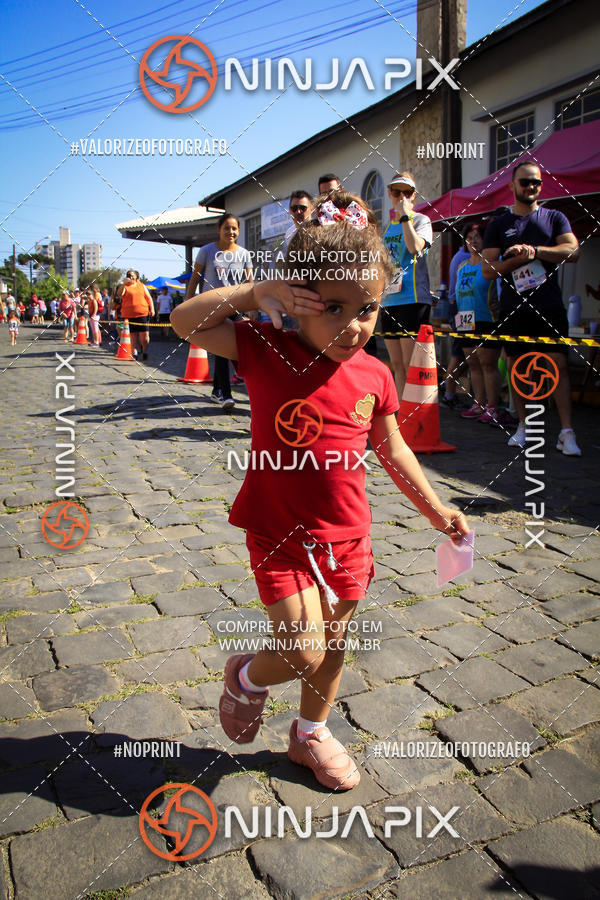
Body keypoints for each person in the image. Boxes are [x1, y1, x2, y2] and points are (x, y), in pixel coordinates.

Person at [170, 194, 470, 791]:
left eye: (367, 309)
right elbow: (185, 323)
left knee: (334, 646)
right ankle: (248, 678)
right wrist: (257, 293)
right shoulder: (264, 346)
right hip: (278, 532)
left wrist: (438, 510)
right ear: (298, 300)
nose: (354, 325)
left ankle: (310, 733)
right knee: (302, 651)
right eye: (333, 307)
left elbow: (394, 450)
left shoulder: (376, 373)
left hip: (347, 539)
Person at [482, 160, 581, 455]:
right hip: (514, 307)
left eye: (536, 182)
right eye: (525, 182)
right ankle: (524, 426)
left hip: (548, 304)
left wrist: (535, 251)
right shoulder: (499, 224)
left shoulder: (554, 218)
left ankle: (566, 432)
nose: (531, 187)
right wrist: (517, 260)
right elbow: (488, 269)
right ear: (512, 186)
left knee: (558, 365)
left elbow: (572, 250)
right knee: (517, 366)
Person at [185, 213, 253, 410]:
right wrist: (188, 301)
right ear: (219, 229)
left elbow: (249, 284)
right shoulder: (206, 251)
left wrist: (252, 307)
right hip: (212, 306)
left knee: (242, 348)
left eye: (234, 228)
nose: (230, 232)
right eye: (226, 228)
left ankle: (217, 391)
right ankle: (225, 394)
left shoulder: (244, 254)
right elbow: (195, 278)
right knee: (222, 351)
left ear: (238, 231)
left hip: (235, 305)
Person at [381, 171, 433, 397]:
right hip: (390, 300)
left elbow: (415, 247)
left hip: (412, 299)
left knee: (413, 365)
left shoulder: (421, 220)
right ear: (390, 194)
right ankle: (401, 418)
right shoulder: (385, 227)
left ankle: (415, 419)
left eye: (407, 192)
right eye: (396, 191)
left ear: (414, 195)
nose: (401, 196)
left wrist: (405, 217)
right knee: (397, 365)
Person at [453, 222, 503, 423]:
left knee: (488, 363)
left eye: (477, 237)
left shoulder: (491, 263)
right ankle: (479, 403)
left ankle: (493, 406)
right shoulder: (461, 266)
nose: (473, 241)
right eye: (469, 237)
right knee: (472, 363)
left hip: (486, 320)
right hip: (465, 320)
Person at [117, 270, 155, 360]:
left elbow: (148, 297)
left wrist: (152, 309)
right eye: (128, 275)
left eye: (132, 275)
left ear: (136, 277)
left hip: (142, 313)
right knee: (133, 336)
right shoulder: (125, 286)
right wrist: (123, 284)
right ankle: (135, 352)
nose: (130, 276)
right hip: (129, 315)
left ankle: (145, 350)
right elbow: (119, 294)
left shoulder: (141, 286)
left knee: (144, 336)